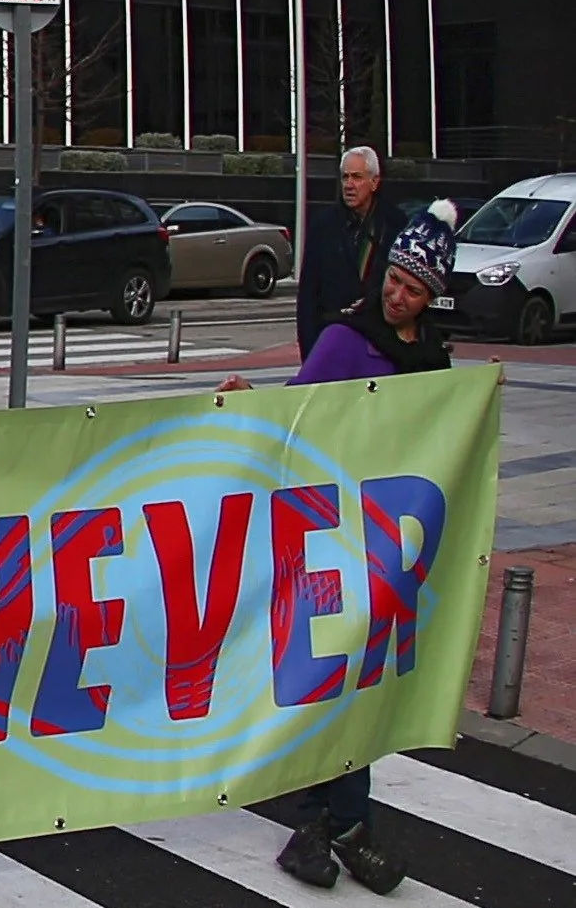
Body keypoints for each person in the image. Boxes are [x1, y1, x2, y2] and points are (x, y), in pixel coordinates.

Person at [219, 198, 457, 893]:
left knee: (358, 681)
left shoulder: (432, 362)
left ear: (431, 297)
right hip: (326, 539)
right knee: (337, 677)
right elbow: (297, 417)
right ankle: (341, 824)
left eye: (412, 287)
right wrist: (253, 400)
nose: (396, 291)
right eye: (393, 277)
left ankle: (322, 825)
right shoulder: (345, 339)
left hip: (384, 544)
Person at [297, 146, 400, 357]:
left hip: (381, 342)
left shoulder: (395, 224)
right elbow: (308, 295)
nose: (349, 185)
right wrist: (309, 353)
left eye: (357, 177)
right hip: (332, 340)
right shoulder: (323, 226)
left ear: (374, 182)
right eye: (345, 177)